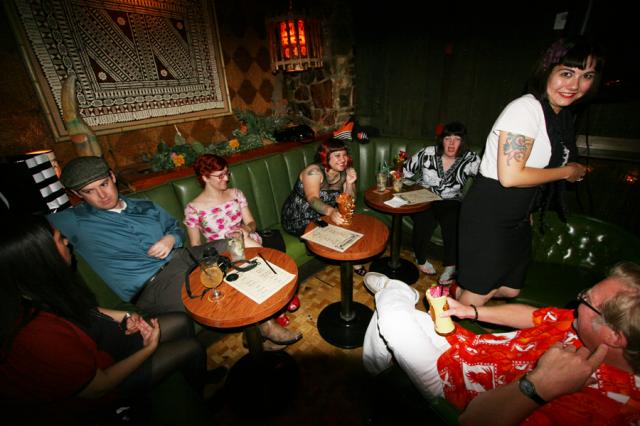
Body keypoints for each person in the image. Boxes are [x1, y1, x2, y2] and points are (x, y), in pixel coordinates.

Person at [0, 215, 223, 424]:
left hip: (103, 346)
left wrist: (127, 315)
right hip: (100, 389)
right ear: (42, 258)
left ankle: (191, 374)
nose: (67, 241)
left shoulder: (39, 288)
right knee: (190, 347)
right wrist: (149, 348)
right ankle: (201, 395)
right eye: (59, 239)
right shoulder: (38, 333)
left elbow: (85, 310)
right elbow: (97, 387)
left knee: (180, 321)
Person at [361, 264, 640, 425]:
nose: (579, 301)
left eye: (587, 300)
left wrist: (538, 387)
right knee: (391, 319)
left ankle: (394, 290)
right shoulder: (584, 326)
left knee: (392, 317)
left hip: (456, 386)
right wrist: (470, 312)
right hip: (471, 346)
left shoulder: (607, 409)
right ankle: (378, 371)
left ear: (615, 335)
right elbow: (535, 316)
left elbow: (472, 421)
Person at [456, 37, 602, 306]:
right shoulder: (526, 109)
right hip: (491, 214)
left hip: (519, 215)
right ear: (547, 71)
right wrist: (566, 171)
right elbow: (511, 176)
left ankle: (457, 295)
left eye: (587, 76)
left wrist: (528, 209)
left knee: (510, 289)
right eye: (566, 73)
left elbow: (534, 171)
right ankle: (449, 321)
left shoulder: (558, 116)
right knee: (478, 293)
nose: (574, 85)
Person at [47, 155, 227, 316]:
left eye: (104, 184)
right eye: (89, 191)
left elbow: (176, 228)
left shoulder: (145, 206)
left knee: (233, 245)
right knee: (215, 297)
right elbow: (31, 230)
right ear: (77, 194)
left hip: (184, 258)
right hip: (154, 287)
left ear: (112, 177)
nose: (102, 195)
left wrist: (171, 239)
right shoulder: (74, 221)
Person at [184, 154, 303, 345]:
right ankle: (268, 321)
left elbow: (251, 223)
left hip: (248, 242)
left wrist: (245, 229)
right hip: (222, 254)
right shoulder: (193, 208)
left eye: (227, 173)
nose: (226, 178)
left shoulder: (236, 194)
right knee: (255, 266)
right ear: (205, 177)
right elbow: (196, 246)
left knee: (247, 247)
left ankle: (264, 322)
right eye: (220, 175)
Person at [403, 122, 480, 283]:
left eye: (457, 139)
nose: (451, 143)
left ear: (463, 141)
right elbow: (405, 171)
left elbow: (485, 181)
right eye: (447, 138)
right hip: (425, 196)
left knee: (453, 220)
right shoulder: (428, 152)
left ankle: (451, 266)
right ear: (441, 140)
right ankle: (420, 258)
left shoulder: (470, 158)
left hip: (451, 199)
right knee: (425, 219)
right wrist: (411, 190)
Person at [281, 138, 365, 275]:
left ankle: (352, 259)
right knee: (336, 233)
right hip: (298, 217)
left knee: (351, 225)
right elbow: (312, 199)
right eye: (337, 155)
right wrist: (331, 212)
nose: (343, 159)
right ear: (325, 157)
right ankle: (353, 262)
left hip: (322, 215)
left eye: (345, 155)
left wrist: (350, 183)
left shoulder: (344, 171)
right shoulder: (314, 172)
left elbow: (350, 202)